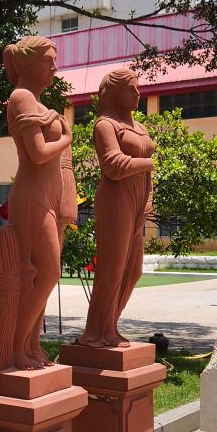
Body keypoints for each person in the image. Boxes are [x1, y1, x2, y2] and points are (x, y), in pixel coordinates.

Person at [4, 36, 72, 369]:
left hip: (50, 198)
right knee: (46, 272)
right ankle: (15, 347)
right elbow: (38, 153)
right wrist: (67, 137)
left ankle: (31, 345)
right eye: (48, 60)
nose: (55, 67)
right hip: (32, 198)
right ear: (27, 63)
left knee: (39, 275)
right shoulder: (21, 98)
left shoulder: (40, 104)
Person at [76, 67, 155, 348]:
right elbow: (112, 165)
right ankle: (96, 332)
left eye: (138, 88)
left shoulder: (140, 127)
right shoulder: (105, 125)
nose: (138, 93)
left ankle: (110, 325)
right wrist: (148, 163)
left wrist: (148, 199)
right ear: (115, 93)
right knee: (112, 268)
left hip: (138, 199)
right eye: (131, 89)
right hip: (116, 198)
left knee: (133, 270)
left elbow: (146, 174)